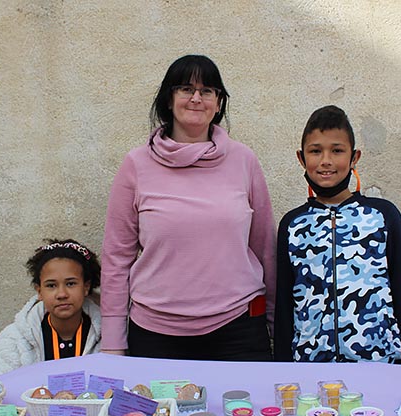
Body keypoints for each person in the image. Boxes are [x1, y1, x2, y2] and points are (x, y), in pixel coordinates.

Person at [101, 54, 276, 361]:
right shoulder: (136, 165)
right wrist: (113, 340)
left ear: (218, 103)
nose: (196, 98)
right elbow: (117, 258)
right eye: (185, 89)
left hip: (239, 328)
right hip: (156, 334)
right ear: (168, 100)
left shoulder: (244, 160)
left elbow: (265, 248)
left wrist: (275, 322)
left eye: (207, 90)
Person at [274, 105, 401, 365]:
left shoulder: (383, 216)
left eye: (337, 151)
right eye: (315, 151)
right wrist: (283, 369)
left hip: (379, 366)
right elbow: (284, 306)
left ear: (354, 157)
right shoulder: (292, 224)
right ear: (301, 158)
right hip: (310, 368)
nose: (326, 161)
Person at [0, 239, 102, 377]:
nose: (62, 294)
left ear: (86, 287)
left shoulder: (109, 337)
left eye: (71, 284)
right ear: (39, 291)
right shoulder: (13, 340)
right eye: (51, 285)